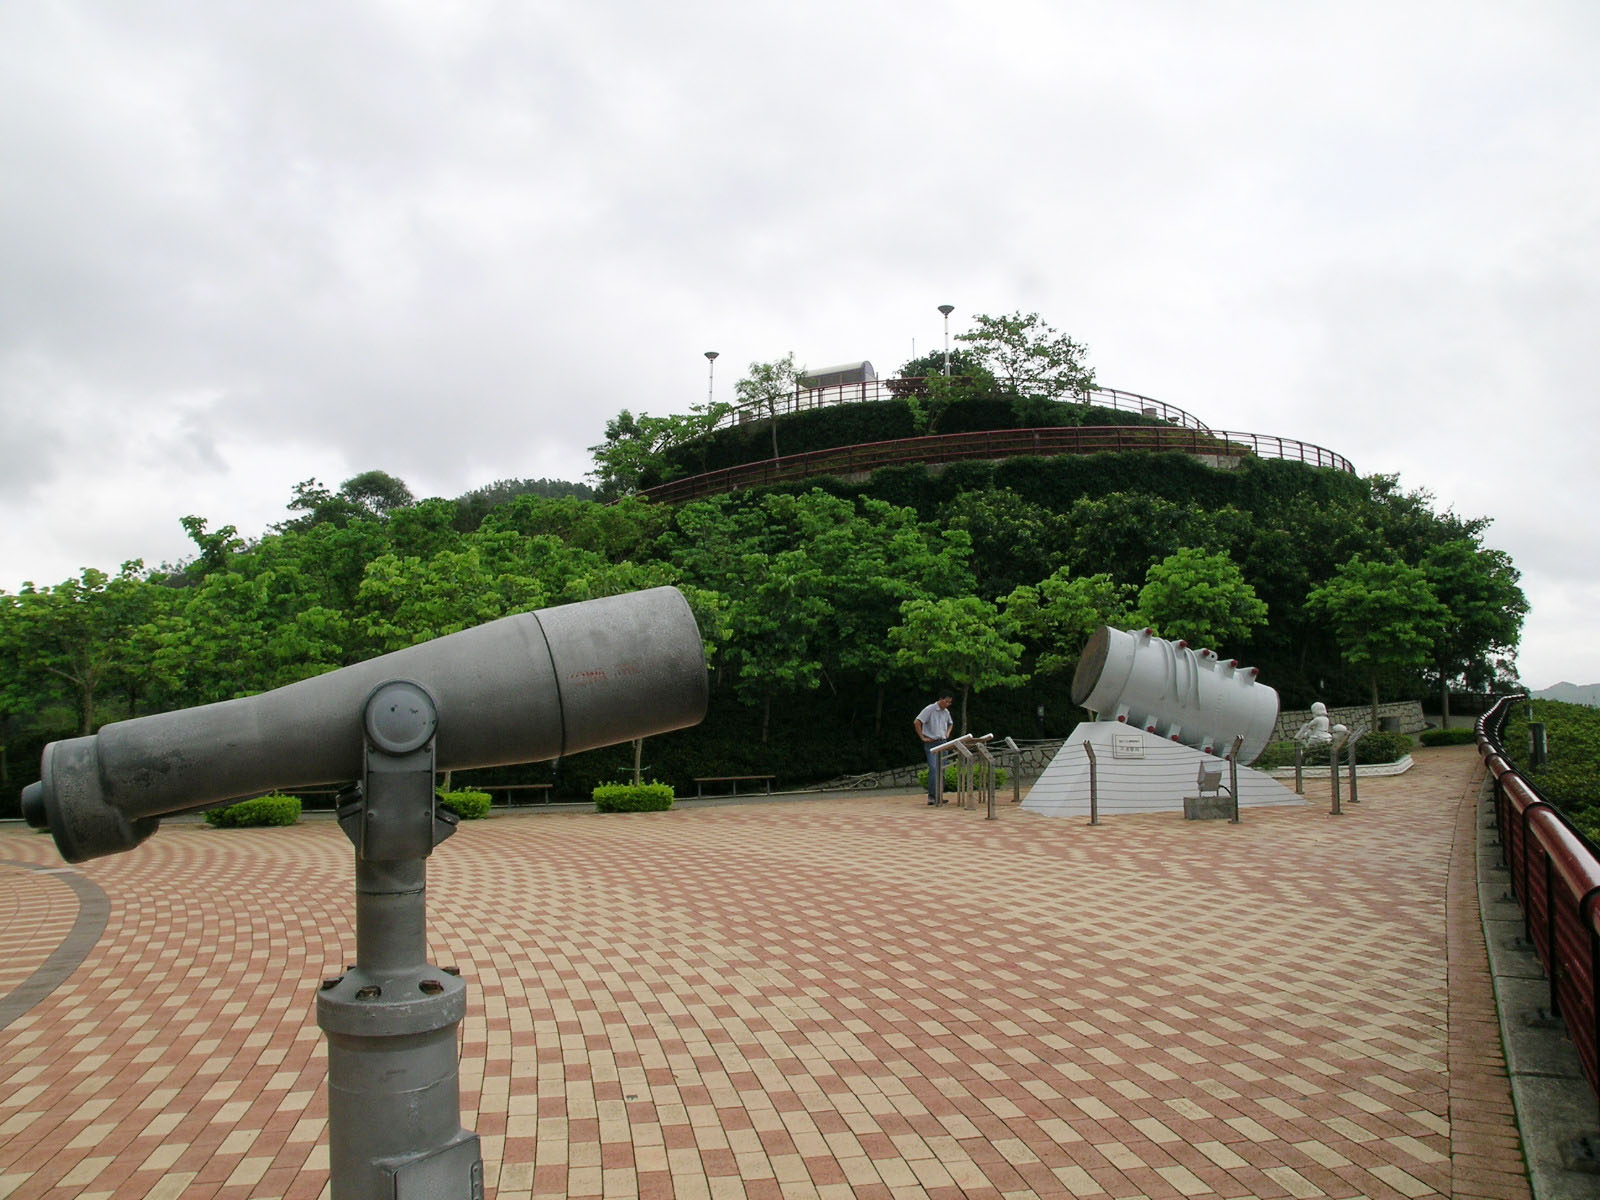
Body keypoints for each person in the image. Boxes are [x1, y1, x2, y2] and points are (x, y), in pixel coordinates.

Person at [914, 692, 955, 805]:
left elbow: (950, 723)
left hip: (943, 742)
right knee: (934, 769)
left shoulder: (946, 712)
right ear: (940, 699)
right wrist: (922, 737)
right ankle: (932, 796)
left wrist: (947, 733)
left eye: (949, 702)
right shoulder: (930, 709)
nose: (947, 704)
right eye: (946, 701)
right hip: (932, 743)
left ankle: (939, 795)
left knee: (942, 769)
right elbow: (917, 722)